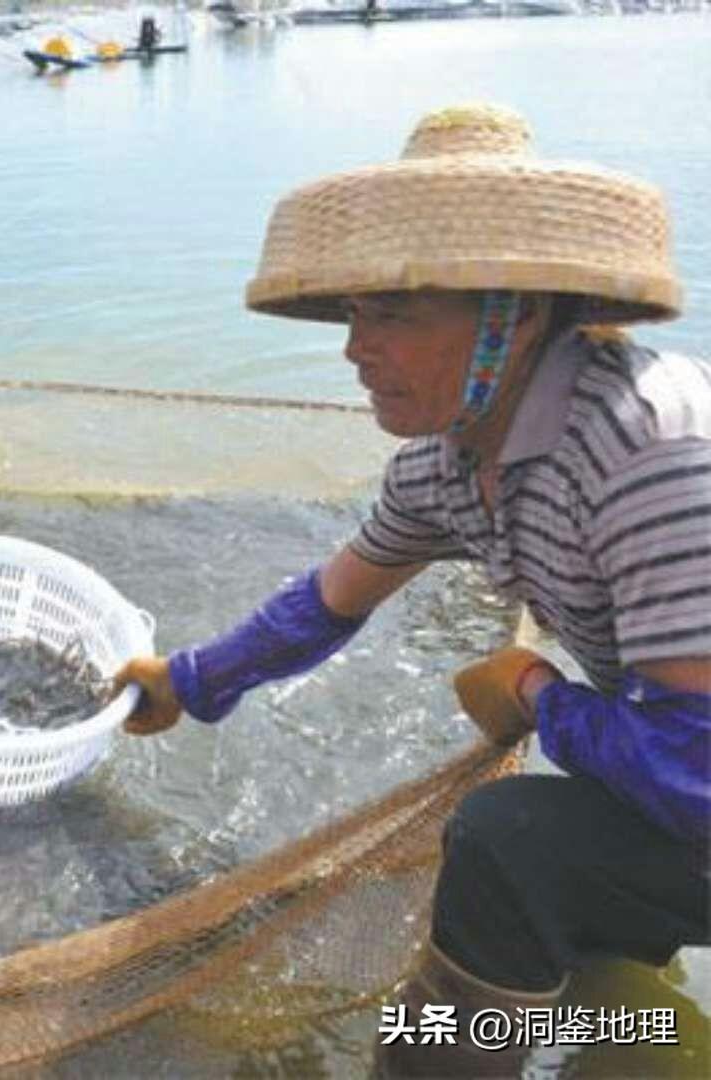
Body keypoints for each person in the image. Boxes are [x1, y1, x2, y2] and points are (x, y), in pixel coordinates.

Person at [112, 103, 709, 1077]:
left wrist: (534, 694)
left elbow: (698, 781)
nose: (355, 349)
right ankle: (618, 1020)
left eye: (392, 313)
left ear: (509, 315)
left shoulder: (648, 447)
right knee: (579, 896)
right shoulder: (444, 465)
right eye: (354, 313)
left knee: (506, 839)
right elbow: (324, 605)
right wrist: (186, 682)